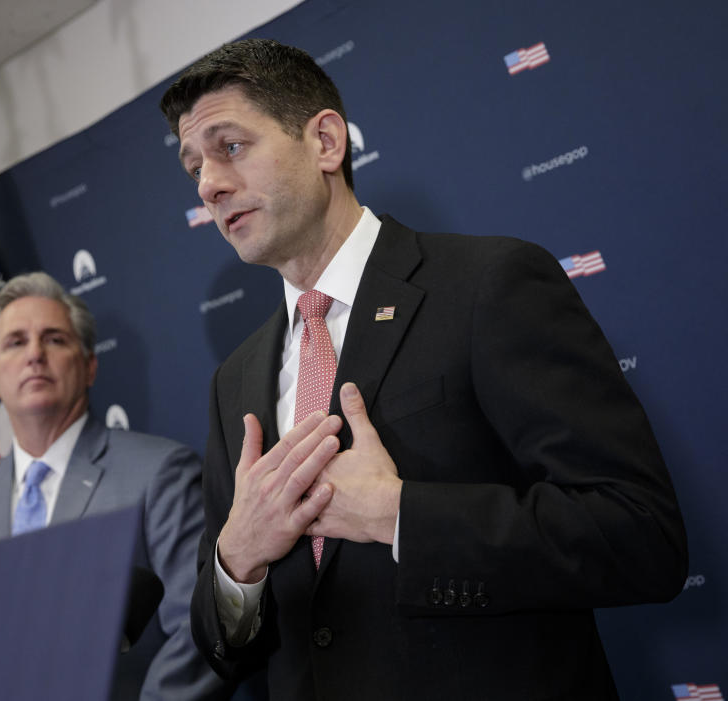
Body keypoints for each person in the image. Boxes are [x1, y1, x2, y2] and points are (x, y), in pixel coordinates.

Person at [159, 38, 687, 700]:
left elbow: (639, 536)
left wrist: (399, 513)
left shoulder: (487, 284)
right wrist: (236, 561)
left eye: (229, 146)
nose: (207, 183)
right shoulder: (232, 381)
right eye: (193, 167)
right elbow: (226, 650)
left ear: (325, 142)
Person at [0, 272, 228, 701]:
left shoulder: (160, 474)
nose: (35, 356)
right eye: (15, 342)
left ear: (89, 366)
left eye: (55, 339)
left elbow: (202, 628)